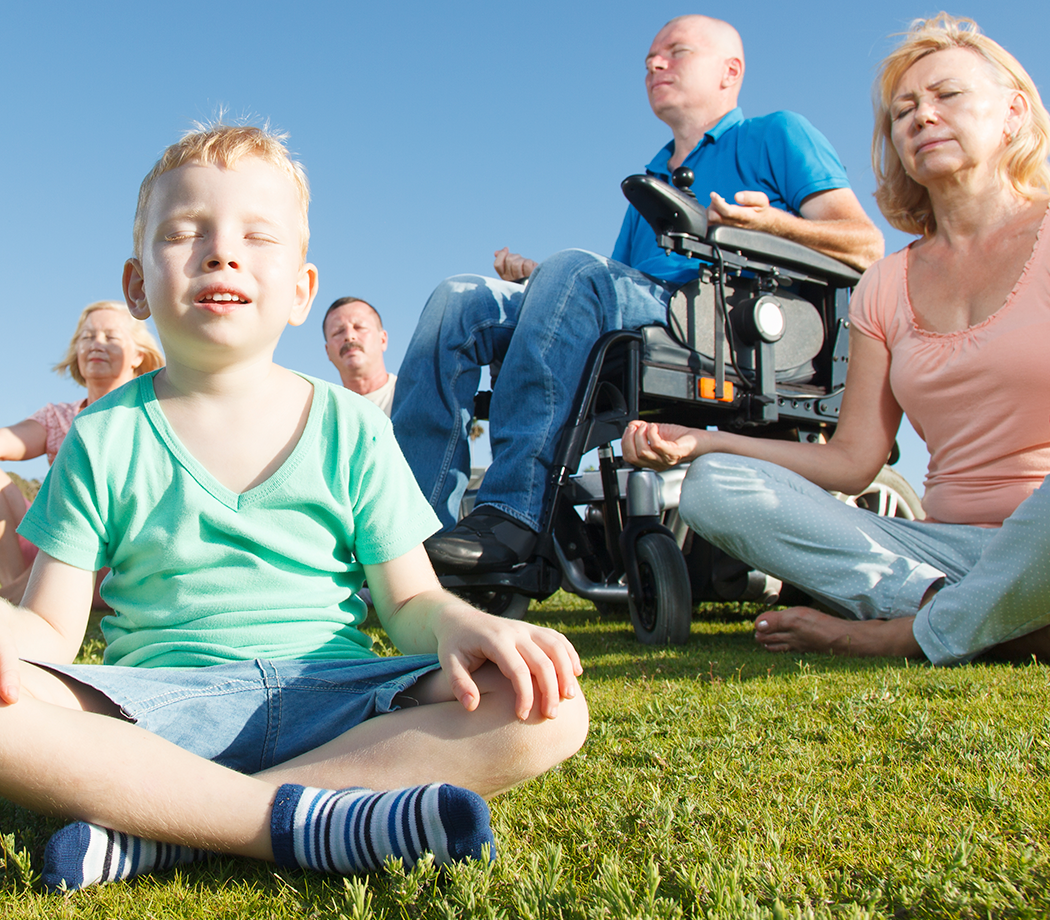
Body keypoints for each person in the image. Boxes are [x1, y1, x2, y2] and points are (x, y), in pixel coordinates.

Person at [2, 123, 587, 893]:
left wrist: (465, 625)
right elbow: (48, 628)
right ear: (138, 284)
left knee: (546, 707)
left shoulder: (353, 427)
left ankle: (168, 828)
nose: (221, 252)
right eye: (186, 232)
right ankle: (301, 820)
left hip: (335, 695)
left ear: (301, 291)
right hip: (156, 708)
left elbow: (409, 600)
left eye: (256, 235)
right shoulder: (103, 434)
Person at [622, 14, 1050, 666]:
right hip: (941, 550)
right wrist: (702, 443)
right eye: (904, 110)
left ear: (1014, 112)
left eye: (947, 95)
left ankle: (903, 632)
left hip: (1042, 528)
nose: (921, 117)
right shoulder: (887, 285)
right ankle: (970, 610)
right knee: (713, 487)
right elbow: (852, 461)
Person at [393, 14, 883, 572]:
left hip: (724, 324)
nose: (654, 63)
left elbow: (865, 244)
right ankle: (413, 535)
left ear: (730, 72)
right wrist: (542, 281)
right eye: (650, 57)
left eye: (676, 52)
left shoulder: (775, 134)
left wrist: (772, 224)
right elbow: (612, 284)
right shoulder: (652, 177)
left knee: (575, 271)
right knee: (461, 298)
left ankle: (512, 512)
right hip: (646, 312)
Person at [0, 301, 163, 603]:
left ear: (138, 354)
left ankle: (20, 600)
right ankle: (18, 593)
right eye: (87, 337)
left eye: (111, 337)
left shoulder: (156, 413)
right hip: (54, 546)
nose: (96, 344)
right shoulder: (57, 417)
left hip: (123, 554)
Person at [322, 296, 397, 416]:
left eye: (359, 327)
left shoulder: (414, 395)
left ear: (382, 340)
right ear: (327, 351)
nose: (349, 336)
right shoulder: (325, 417)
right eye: (338, 332)